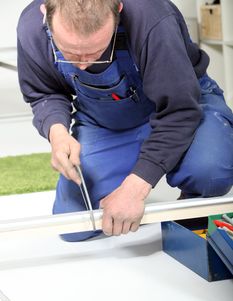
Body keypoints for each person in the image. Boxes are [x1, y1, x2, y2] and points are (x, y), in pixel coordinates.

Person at [17, 0, 233, 241]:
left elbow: (179, 110)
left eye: (96, 52)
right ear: (45, 14)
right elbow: (44, 92)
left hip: (181, 104)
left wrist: (136, 187)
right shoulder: (30, 27)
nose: (83, 64)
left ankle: (188, 198)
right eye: (70, 53)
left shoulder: (152, 17)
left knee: (210, 171)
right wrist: (57, 132)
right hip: (104, 119)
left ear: (118, 10)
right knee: (74, 226)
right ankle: (143, 159)